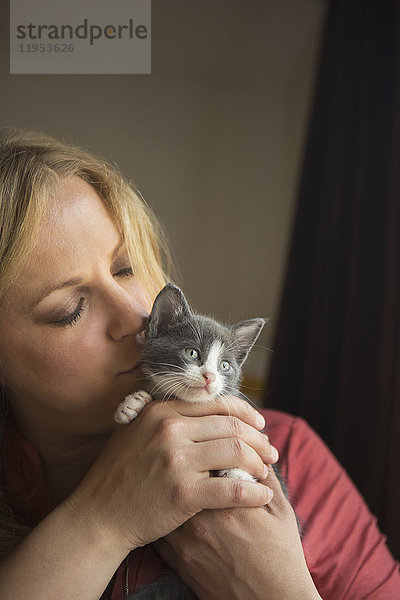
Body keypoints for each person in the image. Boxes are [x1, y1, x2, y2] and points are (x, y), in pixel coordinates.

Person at [0, 128, 397, 600]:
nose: (135, 316)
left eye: (126, 268)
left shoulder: (287, 453)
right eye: (70, 309)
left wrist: (277, 588)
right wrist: (99, 522)